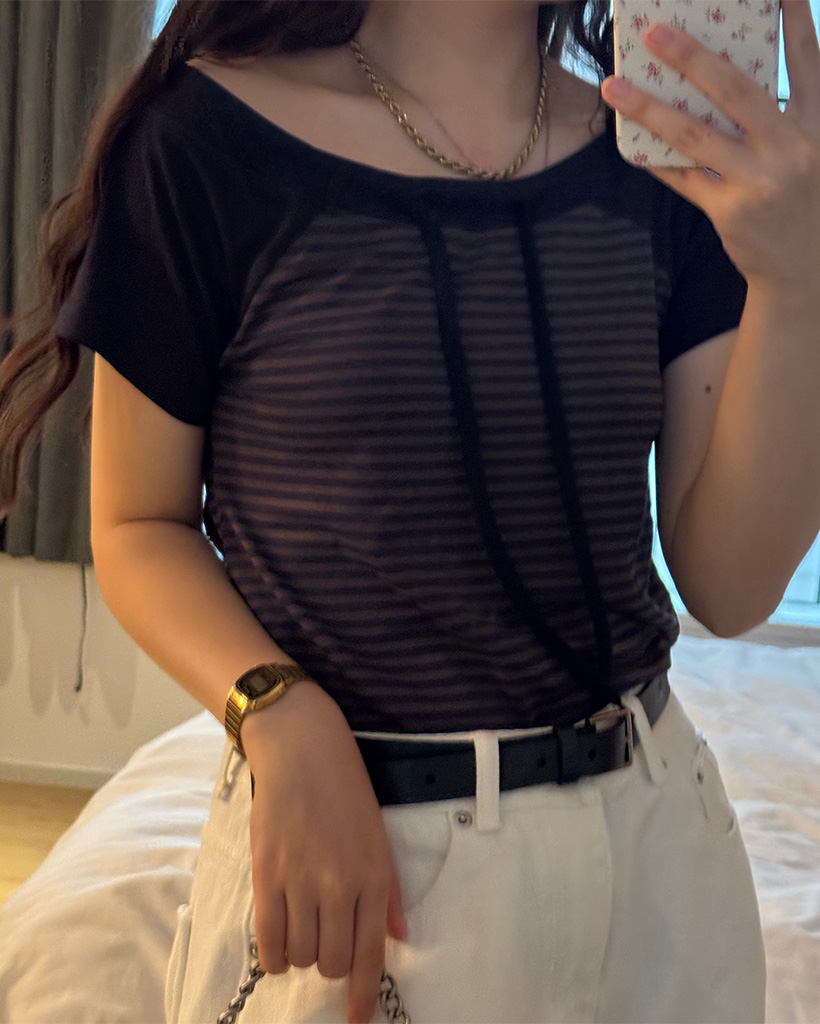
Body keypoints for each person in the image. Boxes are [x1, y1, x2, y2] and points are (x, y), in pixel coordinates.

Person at [1, 0, 818, 1021]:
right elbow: (138, 524)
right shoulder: (203, 141)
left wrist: (796, 283)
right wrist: (277, 711)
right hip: (361, 879)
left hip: (661, 863)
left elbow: (731, 586)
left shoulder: (660, 163)